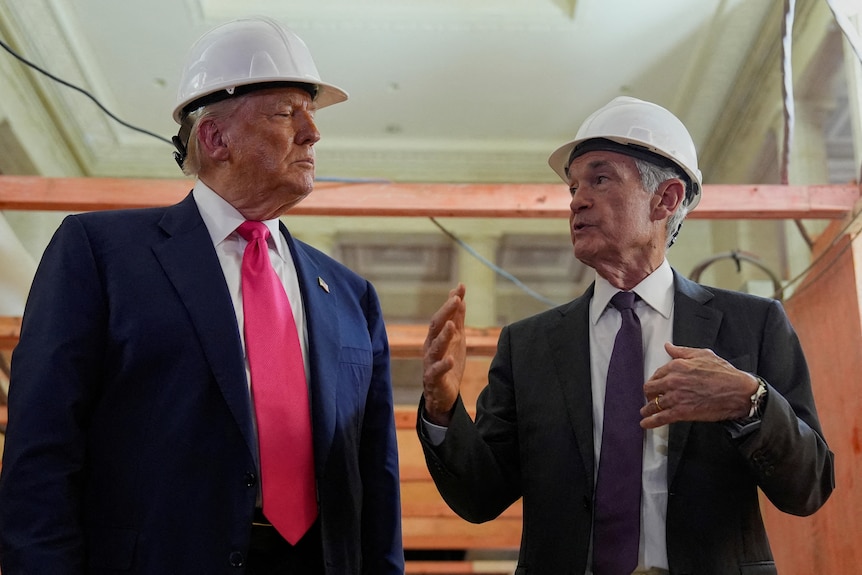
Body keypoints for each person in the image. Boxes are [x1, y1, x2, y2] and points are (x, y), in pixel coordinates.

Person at [0, 17, 403, 575]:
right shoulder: (99, 253)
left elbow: (374, 478)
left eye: (311, 114)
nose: (313, 132)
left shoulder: (352, 297)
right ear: (215, 138)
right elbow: (41, 450)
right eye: (288, 112)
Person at [418, 96, 834, 574]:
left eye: (600, 178)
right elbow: (480, 496)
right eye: (573, 187)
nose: (577, 200)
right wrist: (441, 406)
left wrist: (750, 401)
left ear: (667, 198)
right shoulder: (528, 346)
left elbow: (810, 487)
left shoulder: (753, 325)